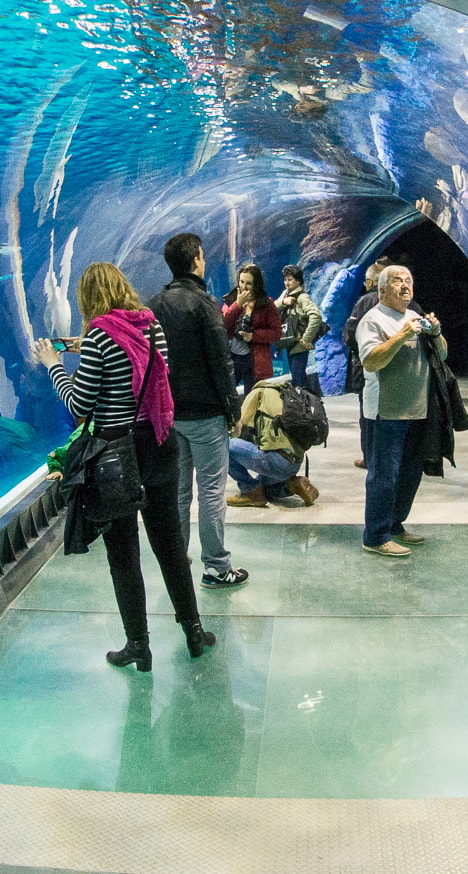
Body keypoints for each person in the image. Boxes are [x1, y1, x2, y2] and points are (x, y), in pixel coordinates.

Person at [36, 262, 216, 670]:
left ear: (88, 298)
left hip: (117, 453)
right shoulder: (149, 325)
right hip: (158, 441)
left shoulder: (100, 334)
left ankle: (139, 645)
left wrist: (53, 364)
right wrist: (88, 347)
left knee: (123, 553)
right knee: (170, 545)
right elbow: (142, 370)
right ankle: (193, 631)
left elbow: (79, 407)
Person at [148, 233, 249, 590]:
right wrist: (232, 409)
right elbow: (221, 362)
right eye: (202, 256)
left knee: (178, 491)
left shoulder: (154, 305)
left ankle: (176, 559)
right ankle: (216, 567)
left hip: (170, 414)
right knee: (210, 490)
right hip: (205, 413)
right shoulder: (204, 303)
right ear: (195, 261)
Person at [355, 264, 447, 558]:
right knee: (383, 475)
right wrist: (402, 335)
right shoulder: (372, 320)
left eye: (409, 280)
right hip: (386, 413)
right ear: (382, 289)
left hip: (417, 411)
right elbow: (371, 361)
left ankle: (395, 525)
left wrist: (436, 333)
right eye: (397, 281)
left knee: (409, 474)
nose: (405, 286)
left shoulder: (415, 316)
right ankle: (375, 535)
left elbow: (442, 354)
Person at [225, 376, 320, 508]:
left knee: (224, 446)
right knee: (263, 489)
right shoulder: (284, 394)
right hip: (294, 462)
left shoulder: (257, 393)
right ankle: (291, 485)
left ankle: (248, 490)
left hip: (276, 461)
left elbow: (240, 427)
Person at [341, 257, 389, 469]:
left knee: (368, 414)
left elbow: (349, 336)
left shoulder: (365, 302)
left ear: (371, 282)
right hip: (394, 372)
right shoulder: (404, 305)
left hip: (367, 367)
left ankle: (370, 457)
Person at [221, 264, 282, 394]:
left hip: (254, 359)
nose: (243, 286)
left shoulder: (267, 304)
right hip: (232, 357)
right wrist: (237, 305)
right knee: (226, 393)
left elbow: (276, 333)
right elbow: (222, 325)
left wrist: (253, 336)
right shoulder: (231, 300)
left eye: (249, 283)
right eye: (241, 282)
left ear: (256, 284)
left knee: (252, 397)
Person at [277, 264, 326, 390]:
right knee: (297, 378)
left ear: (298, 280)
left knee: (299, 380)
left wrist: (307, 338)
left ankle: (306, 406)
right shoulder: (286, 294)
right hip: (290, 343)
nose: (287, 283)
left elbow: (315, 316)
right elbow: (273, 307)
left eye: (290, 279)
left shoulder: (302, 297)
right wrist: (284, 302)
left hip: (298, 345)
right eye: (285, 279)